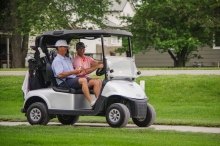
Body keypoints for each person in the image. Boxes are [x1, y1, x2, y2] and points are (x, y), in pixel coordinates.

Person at [51, 40, 96, 107]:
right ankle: (91, 102)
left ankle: (97, 100)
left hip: (71, 79)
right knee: (83, 80)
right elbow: (59, 75)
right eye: (65, 47)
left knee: (95, 81)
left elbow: (72, 72)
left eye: (66, 47)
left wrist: (77, 71)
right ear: (59, 47)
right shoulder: (57, 60)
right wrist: (73, 72)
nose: (66, 48)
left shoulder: (67, 59)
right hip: (63, 82)